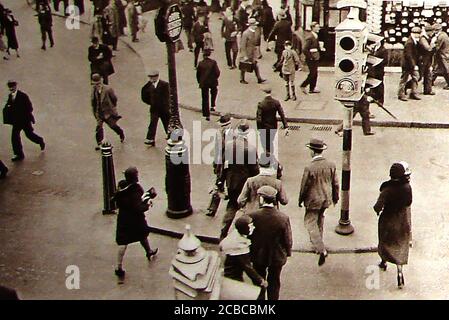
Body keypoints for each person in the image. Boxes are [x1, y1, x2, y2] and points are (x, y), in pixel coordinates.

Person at [113, 167, 159, 282]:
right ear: (135, 177)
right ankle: (148, 251)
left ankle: (119, 266)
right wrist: (147, 204)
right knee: (142, 234)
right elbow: (139, 207)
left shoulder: (122, 186)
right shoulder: (136, 189)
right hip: (135, 219)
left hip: (124, 218)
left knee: (123, 242)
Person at [298, 138, 339, 266]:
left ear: (312, 151)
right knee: (320, 218)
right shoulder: (331, 164)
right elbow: (336, 183)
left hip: (313, 199)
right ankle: (318, 243)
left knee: (310, 222)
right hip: (326, 198)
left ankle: (320, 248)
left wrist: (300, 199)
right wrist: (335, 198)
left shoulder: (309, 167)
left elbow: (304, 186)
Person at [248, 186, 292, 300]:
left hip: (258, 254)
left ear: (262, 199)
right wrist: (287, 252)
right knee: (274, 281)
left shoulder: (253, 216)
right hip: (276, 256)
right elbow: (287, 239)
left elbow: (249, 236)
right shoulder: (283, 217)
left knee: (259, 281)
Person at [374, 162, 413, 289]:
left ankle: (383, 261)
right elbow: (409, 202)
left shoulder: (387, 189)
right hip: (402, 221)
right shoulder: (407, 187)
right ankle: (400, 271)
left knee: (385, 241)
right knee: (400, 245)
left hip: (388, 220)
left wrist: (377, 210)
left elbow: (378, 206)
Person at [220, 121, 259, 240]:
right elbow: (254, 171)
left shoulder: (228, 145)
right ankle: (245, 234)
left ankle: (223, 232)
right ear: (247, 133)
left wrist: (222, 181)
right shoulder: (250, 149)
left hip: (231, 182)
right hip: (244, 184)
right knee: (247, 207)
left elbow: (223, 165)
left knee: (231, 206)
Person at [220, 215, 268, 291]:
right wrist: (261, 280)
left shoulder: (235, 235)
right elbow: (247, 267)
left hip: (231, 274)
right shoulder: (239, 246)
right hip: (234, 278)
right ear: (244, 229)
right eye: (250, 226)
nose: (253, 227)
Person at [3, 81, 45, 162]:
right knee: (14, 137)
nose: (11, 88)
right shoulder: (10, 96)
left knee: (29, 135)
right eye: (10, 87)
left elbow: (30, 108)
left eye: (12, 86)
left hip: (25, 120)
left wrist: (21, 113)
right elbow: (9, 105)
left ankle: (40, 140)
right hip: (16, 121)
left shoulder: (23, 96)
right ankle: (19, 154)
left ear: (16, 86)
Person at [91, 73, 125, 150]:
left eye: (98, 84)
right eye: (95, 84)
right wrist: (95, 112)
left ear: (101, 81)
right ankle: (99, 143)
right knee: (99, 128)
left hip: (108, 112)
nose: (97, 85)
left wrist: (112, 108)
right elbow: (93, 102)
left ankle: (120, 133)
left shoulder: (108, 89)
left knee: (113, 125)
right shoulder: (94, 90)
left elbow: (114, 99)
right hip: (99, 112)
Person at [141, 70, 170, 147]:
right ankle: (151, 139)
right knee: (153, 123)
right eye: (150, 77)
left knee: (166, 123)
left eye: (152, 77)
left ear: (157, 77)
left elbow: (168, 97)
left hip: (164, 109)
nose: (151, 79)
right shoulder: (148, 86)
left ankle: (171, 136)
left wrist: (167, 106)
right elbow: (144, 96)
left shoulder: (164, 84)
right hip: (154, 109)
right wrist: (151, 102)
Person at [256, 86, 288, 155]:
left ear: (264, 93)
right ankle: (270, 154)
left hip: (264, 127)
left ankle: (267, 155)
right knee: (271, 141)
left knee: (265, 143)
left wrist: (259, 129)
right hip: (273, 126)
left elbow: (259, 119)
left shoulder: (261, 104)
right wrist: (286, 126)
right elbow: (282, 114)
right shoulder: (276, 102)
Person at [239, 18, 266, 84]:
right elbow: (242, 45)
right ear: (251, 25)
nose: (256, 26)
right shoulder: (246, 33)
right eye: (255, 25)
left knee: (255, 65)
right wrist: (244, 55)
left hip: (252, 53)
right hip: (247, 53)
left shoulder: (254, 32)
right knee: (244, 66)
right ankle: (242, 79)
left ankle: (259, 78)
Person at [398, 27, 421, 101]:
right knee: (404, 79)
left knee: (416, 77)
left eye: (418, 33)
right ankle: (401, 94)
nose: (418, 35)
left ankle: (413, 93)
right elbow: (409, 55)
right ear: (412, 33)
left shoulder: (413, 41)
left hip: (410, 64)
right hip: (407, 64)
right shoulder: (410, 42)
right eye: (416, 34)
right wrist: (414, 65)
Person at [196, 49, 220, 121]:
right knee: (214, 92)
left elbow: (198, 75)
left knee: (205, 98)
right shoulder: (213, 62)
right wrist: (215, 78)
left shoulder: (200, 63)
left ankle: (206, 114)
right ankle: (213, 105)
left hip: (204, 83)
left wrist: (200, 82)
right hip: (212, 82)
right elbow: (217, 72)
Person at [300, 21, 323, 94]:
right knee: (312, 73)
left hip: (315, 57)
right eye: (317, 27)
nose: (319, 28)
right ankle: (303, 85)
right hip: (311, 58)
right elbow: (304, 49)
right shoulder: (310, 37)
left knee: (315, 73)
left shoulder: (315, 35)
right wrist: (310, 57)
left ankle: (312, 88)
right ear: (313, 28)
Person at [213, 113, 234, 194]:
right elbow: (217, 147)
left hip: (229, 159)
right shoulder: (219, 133)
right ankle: (220, 189)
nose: (222, 128)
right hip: (221, 158)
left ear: (229, 124)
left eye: (223, 126)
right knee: (219, 176)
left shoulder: (234, 134)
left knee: (229, 176)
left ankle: (229, 191)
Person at [419, 25, 435, 95]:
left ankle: (428, 90)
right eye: (432, 31)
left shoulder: (428, 37)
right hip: (422, 59)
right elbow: (428, 48)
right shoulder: (423, 38)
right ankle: (406, 86)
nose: (433, 33)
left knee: (428, 74)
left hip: (427, 59)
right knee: (419, 76)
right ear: (428, 32)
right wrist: (432, 43)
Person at [432, 23, 449, 89]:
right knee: (437, 69)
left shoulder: (441, 36)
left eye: (436, 30)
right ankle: (430, 81)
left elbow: (437, 47)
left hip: (443, 55)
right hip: (442, 55)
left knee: (446, 70)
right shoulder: (443, 35)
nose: (434, 31)